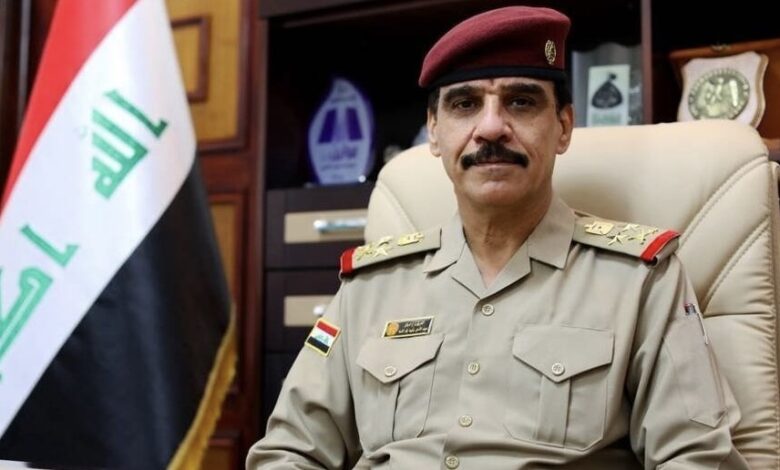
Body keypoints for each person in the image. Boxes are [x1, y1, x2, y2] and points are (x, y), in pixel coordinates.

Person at [247, 6, 749, 469]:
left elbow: (697, 459)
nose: (491, 128)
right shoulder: (370, 287)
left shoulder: (639, 281)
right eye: (465, 104)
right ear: (434, 131)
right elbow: (290, 452)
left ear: (564, 127)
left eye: (521, 102)